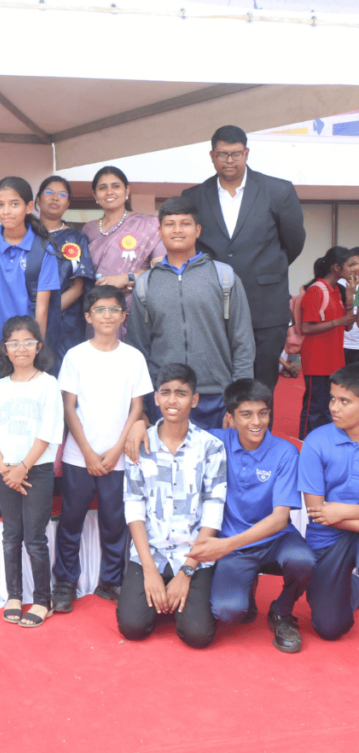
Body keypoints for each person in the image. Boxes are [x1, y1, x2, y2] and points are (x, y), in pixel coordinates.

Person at [179, 379, 315, 653]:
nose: (257, 422)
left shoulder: (285, 452)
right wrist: (138, 426)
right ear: (230, 418)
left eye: (263, 413)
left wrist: (225, 545)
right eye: (246, 414)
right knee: (228, 613)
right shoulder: (215, 441)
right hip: (236, 548)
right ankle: (247, 585)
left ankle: (282, 611)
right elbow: (172, 434)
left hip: (275, 539)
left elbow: (280, 519)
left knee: (304, 561)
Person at [0, 177, 60, 522]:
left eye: (14, 204)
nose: (7, 211)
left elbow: (42, 309)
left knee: (28, 425)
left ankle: (27, 493)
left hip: (25, 354)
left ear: (29, 207)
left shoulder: (43, 250)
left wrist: (32, 352)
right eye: (1, 204)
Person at [182, 125, 307, 394]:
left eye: (236, 154)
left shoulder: (278, 190)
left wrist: (264, 270)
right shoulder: (193, 197)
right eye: (222, 154)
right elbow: (192, 246)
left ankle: (259, 424)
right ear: (212, 156)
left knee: (261, 387)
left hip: (265, 306)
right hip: (212, 307)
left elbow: (294, 243)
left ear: (246, 153)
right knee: (217, 387)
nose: (229, 160)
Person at [52, 285, 152, 613]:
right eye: (100, 310)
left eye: (113, 310)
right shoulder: (76, 356)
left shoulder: (133, 357)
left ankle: (111, 580)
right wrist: (87, 452)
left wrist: (118, 448)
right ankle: (64, 582)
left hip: (119, 457)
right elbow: (69, 408)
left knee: (114, 521)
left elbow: (137, 408)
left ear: (124, 316)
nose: (107, 316)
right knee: (71, 520)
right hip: (79, 456)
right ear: (88, 317)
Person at [117, 364, 226, 649]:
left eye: (181, 393)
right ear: (156, 398)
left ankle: (175, 595)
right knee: (132, 627)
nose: (172, 400)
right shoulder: (140, 444)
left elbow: (213, 512)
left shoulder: (211, 447)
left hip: (192, 554)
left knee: (198, 635)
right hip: (150, 551)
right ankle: (159, 593)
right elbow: (134, 507)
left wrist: (187, 572)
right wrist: (150, 571)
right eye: (165, 393)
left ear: (195, 399)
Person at [126, 196, 255, 429]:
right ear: (160, 231)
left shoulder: (224, 277)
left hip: (217, 397)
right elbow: (137, 349)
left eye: (185, 223)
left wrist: (239, 402)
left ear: (197, 230)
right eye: (170, 224)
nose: (177, 230)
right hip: (165, 397)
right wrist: (142, 406)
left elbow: (242, 342)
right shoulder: (145, 284)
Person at [0, 316, 64, 627]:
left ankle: (43, 600)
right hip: (6, 472)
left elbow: (48, 433)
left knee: (34, 538)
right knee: (11, 536)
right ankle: (14, 595)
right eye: (14, 343)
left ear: (38, 347)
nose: (21, 348)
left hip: (37, 471)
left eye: (28, 342)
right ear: (5, 349)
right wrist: (5, 470)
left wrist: (23, 468)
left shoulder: (48, 383)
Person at [299, 363, 359, 641]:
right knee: (329, 627)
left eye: (344, 401)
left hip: (343, 521)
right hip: (328, 538)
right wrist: (333, 515)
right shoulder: (316, 441)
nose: (334, 407)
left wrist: (343, 510)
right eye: (333, 398)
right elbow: (318, 513)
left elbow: (332, 512)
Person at [84, 166, 165, 310]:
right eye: (102, 188)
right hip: (98, 310)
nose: (109, 192)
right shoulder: (88, 229)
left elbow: (162, 272)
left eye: (116, 186)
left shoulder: (149, 224)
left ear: (127, 190)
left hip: (137, 309)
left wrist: (126, 278)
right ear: (95, 195)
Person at [298, 247, 358, 439]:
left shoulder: (338, 291)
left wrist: (351, 298)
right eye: (350, 265)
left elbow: (348, 326)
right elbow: (306, 328)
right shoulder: (317, 290)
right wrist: (338, 322)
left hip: (334, 359)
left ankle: (322, 443)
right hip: (317, 360)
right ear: (336, 268)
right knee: (314, 406)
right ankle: (305, 442)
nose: (354, 269)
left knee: (328, 407)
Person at [35, 175, 94, 360]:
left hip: (65, 322)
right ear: (38, 199)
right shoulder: (24, 235)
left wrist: (47, 311)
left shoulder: (77, 238)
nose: (55, 198)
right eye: (49, 192)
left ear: (68, 204)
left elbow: (79, 286)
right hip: (25, 316)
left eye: (62, 194)